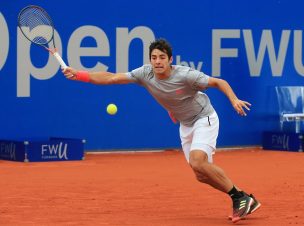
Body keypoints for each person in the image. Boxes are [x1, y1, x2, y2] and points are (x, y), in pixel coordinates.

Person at [62, 38, 261, 223]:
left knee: (197, 161)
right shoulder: (145, 73)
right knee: (200, 174)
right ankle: (242, 197)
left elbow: (219, 82)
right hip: (185, 124)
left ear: (170, 60)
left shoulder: (185, 75)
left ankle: (239, 197)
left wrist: (233, 99)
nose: (157, 62)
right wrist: (79, 75)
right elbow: (112, 77)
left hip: (204, 118)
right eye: (154, 58)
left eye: (162, 58)